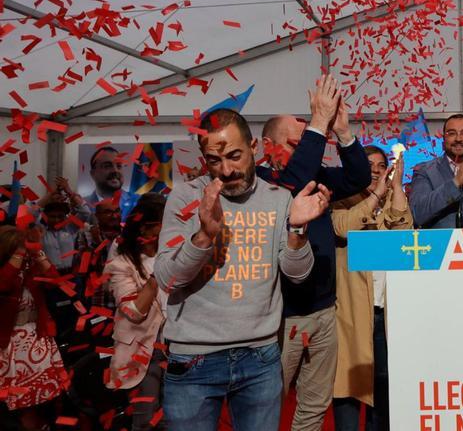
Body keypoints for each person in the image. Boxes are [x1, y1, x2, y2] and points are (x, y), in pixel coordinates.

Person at [154, 108, 330, 431]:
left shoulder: (279, 198)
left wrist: (297, 231)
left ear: (254, 147)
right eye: (214, 161)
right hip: (194, 361)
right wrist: (204, 236)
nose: (227, 169)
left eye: (235, 155)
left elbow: (297, 273)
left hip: (259, 358)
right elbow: (168, 278)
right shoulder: (186, 197)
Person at [258, 75, 372, 431]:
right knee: (267, 406)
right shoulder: (263, 181)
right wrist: (318, 123)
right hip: (283, 318)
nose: (309, 147)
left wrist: (343, 133)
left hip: (324, 312)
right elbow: (293, 184)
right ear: (266, 146)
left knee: (313, 407)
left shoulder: (315, 170)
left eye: (310, 141)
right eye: (297, 142)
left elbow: (358, 179)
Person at [332, 146, 413, 431]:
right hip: (352, 314)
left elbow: (404, 236)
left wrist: (397, 187)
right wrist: (377, 194)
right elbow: (343, 229)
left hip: (385, 312)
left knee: (384, 389)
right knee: (349, 389)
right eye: (369, 165)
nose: (377, 171)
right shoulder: (340, 200)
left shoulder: (393, 199)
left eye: (381, 165)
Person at [105, 196, 168, 430]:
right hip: (142, 350)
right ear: (146, 227)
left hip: (176, 349)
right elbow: (133, 312)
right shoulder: (121, 264)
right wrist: (156, 278)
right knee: (145, 420)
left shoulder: (174, 255)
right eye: (165, 222)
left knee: (174, 417)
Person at [0, 225, 69, 431]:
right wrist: (20, 251)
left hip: (37, 341)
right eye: (17, 249)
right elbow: (3, 285)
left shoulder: (30, 271)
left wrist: (37, 251)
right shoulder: (7, 271)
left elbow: (57, 281)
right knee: (16, 407)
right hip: (8, 345)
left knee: (41, 403)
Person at [84, 146, 139, 219]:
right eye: (107, 166)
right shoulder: (82, 204)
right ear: (93, 174)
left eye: (119, 166)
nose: (115, 170)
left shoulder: (140, 202)